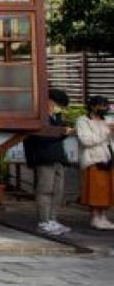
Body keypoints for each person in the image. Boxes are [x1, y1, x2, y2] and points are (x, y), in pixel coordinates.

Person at [22, 88, 73, 235]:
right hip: (42, 157)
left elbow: (58, 134)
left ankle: (53, 219)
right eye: (57, 104)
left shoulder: (57, 116)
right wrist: (61, 133)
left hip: (57, 157)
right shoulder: (38, 115)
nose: (58, 107)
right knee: (45, 190)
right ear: (49, 100)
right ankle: (44, 221)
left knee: (58, 190)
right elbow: (39, 137)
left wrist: (63, 133)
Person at [76, 95, 113, 230]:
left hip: (108, 158)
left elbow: (110, 140)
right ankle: (95, 217)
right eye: (101, 105)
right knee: (96, 189)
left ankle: (103, 217)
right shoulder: (83, 121)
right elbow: (86, 140)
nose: (104, 108)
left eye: (105, 105)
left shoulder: (108, 120)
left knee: (107, 189)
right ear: (92, 106)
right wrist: (107, 132)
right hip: (93, 159)